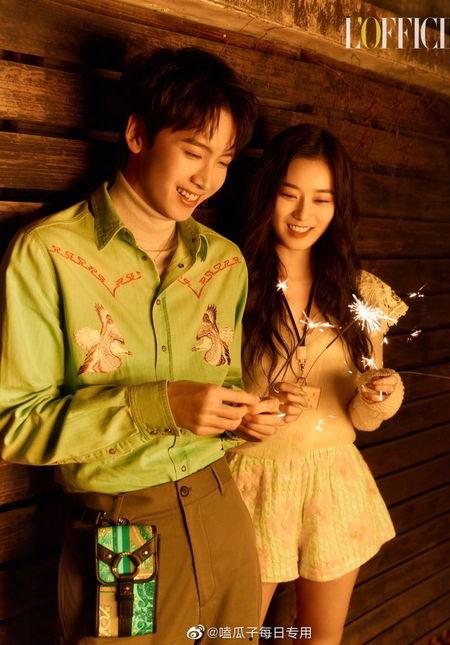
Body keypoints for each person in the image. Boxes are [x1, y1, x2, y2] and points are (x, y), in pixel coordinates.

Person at [0, 47, 280, 644]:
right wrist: (157, 404)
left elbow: (224, 386)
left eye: (224, 160)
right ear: (136, 134)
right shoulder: (49, 253)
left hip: (222, 509)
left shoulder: (224, 262)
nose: (207, 179)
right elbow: (15, 425)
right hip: (122, 531)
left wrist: (244, 417)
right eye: (194, 151)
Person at [227, 124, 408, 644]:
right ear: (268, 193)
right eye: (290, 194)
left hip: (333, 480)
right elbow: (209, 389)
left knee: (320, 638)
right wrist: (252, 411)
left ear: (338, 206)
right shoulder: (232, 280)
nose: (303, 214)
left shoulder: (361, 294)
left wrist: (381, 396)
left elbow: (363, 418)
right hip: (253, 480)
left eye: (322, 199)